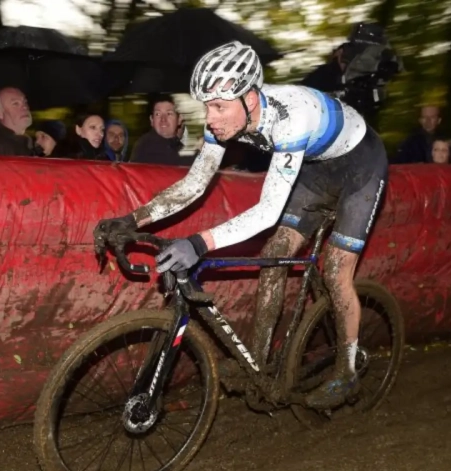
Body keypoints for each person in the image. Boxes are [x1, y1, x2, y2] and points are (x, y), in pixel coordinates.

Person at [93, 41, 388, 409]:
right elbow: (194, 184)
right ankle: (259, 367)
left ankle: (347, 372)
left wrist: (199, 244)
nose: (210, 118)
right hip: (316, 169)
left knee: (334, 271)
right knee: (275, 255)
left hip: (360, 167)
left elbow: (267, 212)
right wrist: (131, 218)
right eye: (206, 107)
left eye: (218, 107)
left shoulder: (289, 118)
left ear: (250, 98)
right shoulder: (225, 122)